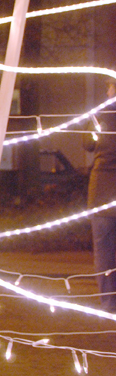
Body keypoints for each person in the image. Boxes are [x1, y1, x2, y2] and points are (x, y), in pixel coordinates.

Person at [86, 76, 116, 313]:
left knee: (104, 251)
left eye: (109, 87)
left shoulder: (100, 115)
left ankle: (108, 303)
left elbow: (87, 143)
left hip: (102, 195)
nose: (106, 92)